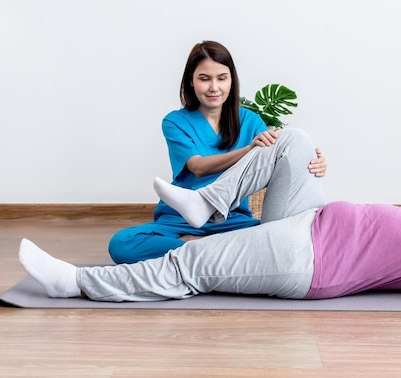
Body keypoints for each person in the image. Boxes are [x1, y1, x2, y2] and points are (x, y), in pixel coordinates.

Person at [18, 128, 401, 312]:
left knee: (189, 263)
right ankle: (204, 202)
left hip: (309, 257)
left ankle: (76, 284)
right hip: (312, 217)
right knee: (294, 139)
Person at [107, 41, 327, 264]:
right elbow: (198, 167)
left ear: (232, 80)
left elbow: (272, 165)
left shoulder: (250, 121)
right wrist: (249, 150)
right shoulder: (175, 122)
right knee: (123, 244)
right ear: (191, 81)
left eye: (222, 78)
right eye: (205, 79)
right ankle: (217, 253)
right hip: (180, 221)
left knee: (293, 240)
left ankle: (198, 253)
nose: (214, 87)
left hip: (232, 220)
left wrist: (310, 162)